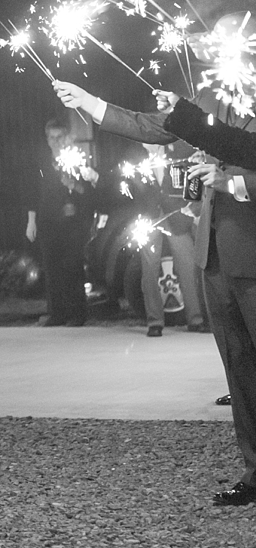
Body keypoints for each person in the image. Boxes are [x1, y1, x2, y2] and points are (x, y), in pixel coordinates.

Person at [54, 79, 256, 506]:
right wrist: (91, 102)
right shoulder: (208, 100)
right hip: (214, 255)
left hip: (253, 255)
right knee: (239, 371)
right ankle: (255, 473)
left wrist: (231, 183)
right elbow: (149, 125)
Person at [25, 116, 99, 327]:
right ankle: (57, 313)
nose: (56, 142)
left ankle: (77, 313)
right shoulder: (42, 163)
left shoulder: (77, 161)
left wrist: (74, 188)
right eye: (52, 138)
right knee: (52, 268)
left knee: (73, 266)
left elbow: (90, 192)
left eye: (60, 137)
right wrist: (31, 221)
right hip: (48, 222)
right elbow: (33, 193)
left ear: (67, 138)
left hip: (72, 224)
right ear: (47, 139)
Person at [132, 141, 206, 337]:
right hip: (149, 216)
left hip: (177, 215)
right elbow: (130, 186)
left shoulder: (182, 149)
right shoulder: (136, 155)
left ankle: (196, 319)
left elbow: (193, 178)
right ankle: (154, 322)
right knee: (149, 269)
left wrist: (194, 206)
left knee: (188, 266)